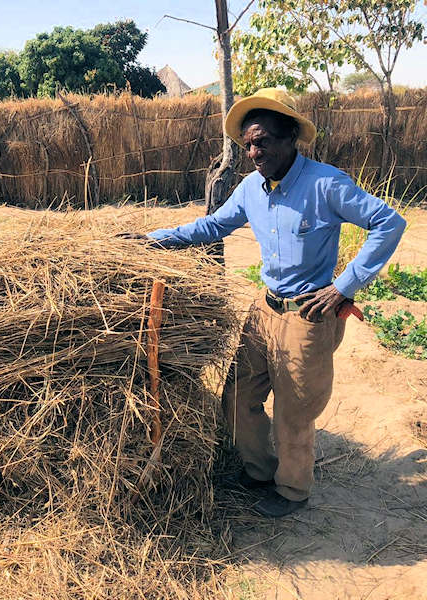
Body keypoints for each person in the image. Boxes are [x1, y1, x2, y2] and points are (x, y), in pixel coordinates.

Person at [124, 88, 406, 517]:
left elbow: (389, 222)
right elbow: (213, 225)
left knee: (294, 411)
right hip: (264, 308)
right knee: (237, 398)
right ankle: (259, 472)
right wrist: (150, 241)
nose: (255, 151)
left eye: (264, 141)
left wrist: (343, 287)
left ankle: (292, 490)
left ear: (290, 137)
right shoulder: (251, 188)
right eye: (249, 144)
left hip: (308, 314)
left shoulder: (325, 184)